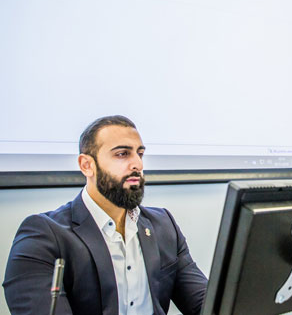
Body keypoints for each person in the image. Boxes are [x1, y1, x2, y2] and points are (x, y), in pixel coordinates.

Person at [3, 115, 208, 315]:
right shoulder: (43, 235)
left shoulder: (164, 225)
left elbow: (206, 304)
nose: (138, 164)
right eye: (122, 154)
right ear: (87, 165)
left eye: (140, 154)